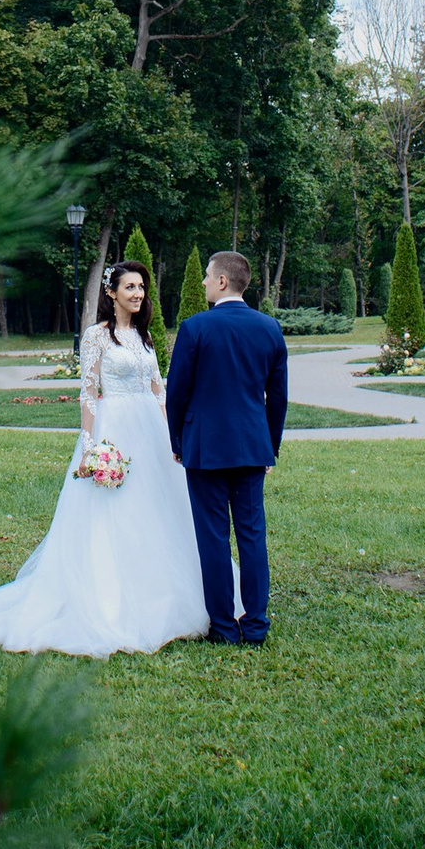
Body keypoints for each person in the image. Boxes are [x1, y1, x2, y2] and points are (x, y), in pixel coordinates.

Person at [0, 261, 209, 657]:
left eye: (141, 288)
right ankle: (111, 601)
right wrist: (89, 448)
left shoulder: (145, 335)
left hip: (150, 431)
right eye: (130, 287)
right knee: (113, 512)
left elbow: (158, 391)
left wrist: (173, 438)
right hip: (114, 428)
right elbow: (88, 393)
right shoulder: (96, 337)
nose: (138, 294)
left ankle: (163, 593)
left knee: (159, 509)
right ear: (111, 292)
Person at [165, 250, 288, 646]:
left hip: (204, 448)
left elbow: (177, 392)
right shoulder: (269, 327)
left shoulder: (194, 328)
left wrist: (178, 442)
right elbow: (279, 397)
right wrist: (271, 446)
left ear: (222, 282)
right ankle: (255, 626)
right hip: (253, 447)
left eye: (206, 276)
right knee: (252, 536)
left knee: (214, 538)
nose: (202, 282)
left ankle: (223, 627)